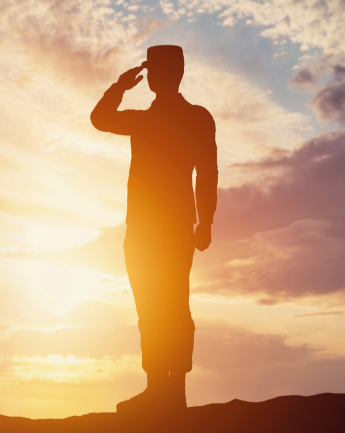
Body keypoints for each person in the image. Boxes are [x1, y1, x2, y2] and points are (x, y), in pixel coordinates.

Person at [90, 45, 218, 414]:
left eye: (156, 70)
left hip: (164, 229)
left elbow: (207, 173)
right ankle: (160, 387)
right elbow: (100, 120)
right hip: (152, 229)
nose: (156, 77)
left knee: (167, 305)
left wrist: (120, 86)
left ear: (164, 75)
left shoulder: (179, 119)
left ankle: (169, 390)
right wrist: (205, 220)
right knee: (156, 305)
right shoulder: (169, 119)